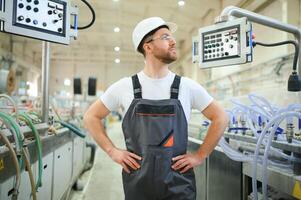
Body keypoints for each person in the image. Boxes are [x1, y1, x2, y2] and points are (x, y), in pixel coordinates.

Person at [84, 17, 229, 200]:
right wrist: (113, 151)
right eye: (166, 37)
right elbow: (90, 117)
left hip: (178, 185)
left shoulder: (187, 86)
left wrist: (200, 155)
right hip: (138, 183)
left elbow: (221, 117)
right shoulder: (125, 87)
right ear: (148, 46)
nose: (174, 41)